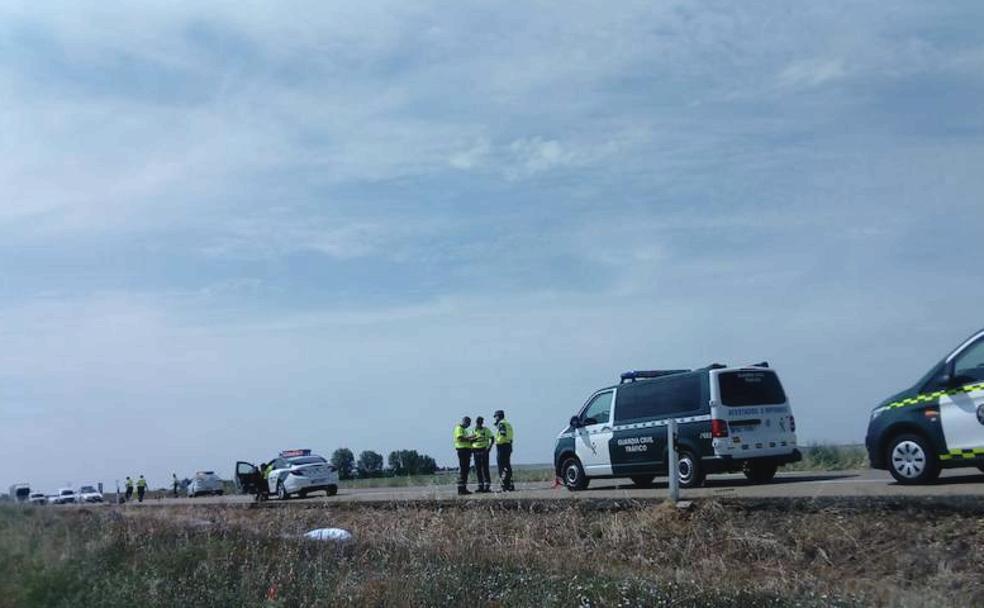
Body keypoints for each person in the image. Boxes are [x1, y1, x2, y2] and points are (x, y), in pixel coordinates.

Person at [453, 416, 476, 495]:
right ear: (464, 421)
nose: (469, 425)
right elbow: (460, 438)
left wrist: (472, 440)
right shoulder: (459, 428)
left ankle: (464, 488)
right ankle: (461, 489)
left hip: (467, 450)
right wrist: (471, 437)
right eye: (468, 423)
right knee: (463, 470)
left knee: (466, 470)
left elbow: (466, 439)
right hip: (462, 450)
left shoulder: (464, 430)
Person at [471, 417, 494, 493]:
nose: (479, 423)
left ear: (482, 423)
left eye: (480, 422)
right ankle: (480, 486)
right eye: (478, 422)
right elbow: (470, 440)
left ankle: (487, 487)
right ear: (476, 422)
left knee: (485, 469)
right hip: (476, 451)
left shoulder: (486, 430)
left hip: (484, 450)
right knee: (478, 469)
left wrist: (489, 448)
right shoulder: (473, 430)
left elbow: (492, 438)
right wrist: (472, 448)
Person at [493, 410, 515, 491]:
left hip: (502, 446)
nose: (495, 418)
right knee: (507, 466)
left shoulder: (501, 424)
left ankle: (505, 486)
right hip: (508, 445)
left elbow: (502, 434)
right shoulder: (508, 423)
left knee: (502, 467)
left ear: (498, 416)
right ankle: (510, 485)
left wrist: (497, 441)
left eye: (495, 416)